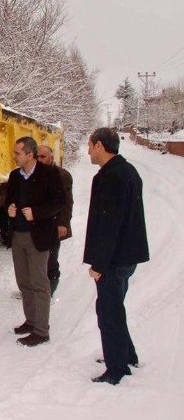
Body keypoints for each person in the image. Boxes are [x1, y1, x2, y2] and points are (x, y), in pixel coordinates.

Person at [84, 128, 149, 385]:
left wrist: (99, 264)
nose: (88, 151)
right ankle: (126, 354)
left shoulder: (111, 177)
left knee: (108, 312)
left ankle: (117, 369)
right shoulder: (127, 170)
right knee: (115, 308)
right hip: (126, 256)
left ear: (100, 145)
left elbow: (109, 224)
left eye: (90, 145)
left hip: (113, 258)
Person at [5, 136, 65, 347]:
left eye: (17, 153)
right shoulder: (14, 176)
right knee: (24, 282)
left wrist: (37, 213)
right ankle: (30, 322)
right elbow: (8, 201)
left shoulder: (49, 174)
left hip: (38, 237)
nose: (14, 156)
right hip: (18, 236)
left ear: (29, 154)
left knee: (40, 283)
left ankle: (41, 331)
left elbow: (59, 202)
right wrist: (9, 209)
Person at [36, 145, 73, 296]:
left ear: (51, 158)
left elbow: (67, 202)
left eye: (43, 157)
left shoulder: (61, 175)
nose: (39, 160)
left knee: (50, 260)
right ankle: (35, 290)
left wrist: (63, 223)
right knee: (35, 260)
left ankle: (49, 291)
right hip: (37, 225)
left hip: (53, 225)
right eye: (37, 157)